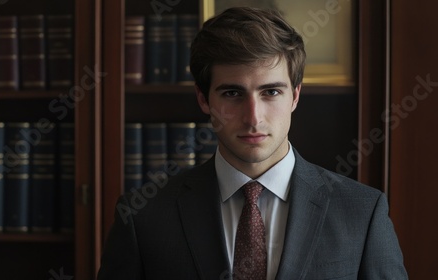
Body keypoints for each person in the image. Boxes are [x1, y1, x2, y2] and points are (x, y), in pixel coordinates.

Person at [97, 7, 408, 280]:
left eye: (271, 92)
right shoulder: (143, 216)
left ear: (295, 96)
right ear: (204, 99)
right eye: (232, 93)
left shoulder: (362, 212)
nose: (253, 117)